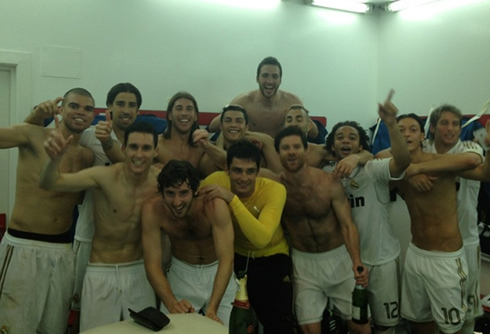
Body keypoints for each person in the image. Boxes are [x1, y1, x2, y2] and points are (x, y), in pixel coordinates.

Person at [39, 121, 160, 331]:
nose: (139, 154)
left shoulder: (160, 181)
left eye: (146, 148)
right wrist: (54, 160)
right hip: (101, 271)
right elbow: (50, 183)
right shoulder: (105, 176)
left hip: (140, 272)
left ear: (155, 151)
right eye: (133, 147)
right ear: (123, 148)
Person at [0, 89, 95, 334]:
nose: (81, 113)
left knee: (53, 327)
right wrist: (33, 116)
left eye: (88, 109)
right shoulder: (33, 134)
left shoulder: (87, 155)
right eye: (74, 106)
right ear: (61, 109)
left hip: (63, 250)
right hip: (24, 245)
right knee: (14, 326)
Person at [391, 113, 490, 334]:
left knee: (451, 327)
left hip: (446, 259)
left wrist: (489, 148)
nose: (406, 134)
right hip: (416, 255)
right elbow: (372, 158)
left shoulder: (440, 162)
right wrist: (409, 171)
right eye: (400, 130)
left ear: (422, 136)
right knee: (419, 322)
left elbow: (484, 173)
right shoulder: (391, 166)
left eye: (412, 130)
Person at [323, 90, 411, 334]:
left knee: (386, 326)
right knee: (355, 324)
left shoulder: (373, 169)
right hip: (345, 264)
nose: (346, 141)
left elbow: (403, 160)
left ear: (361, 144)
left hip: (381, 259)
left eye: (352, 137)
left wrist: (391, 124)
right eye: (340, 137)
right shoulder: (325, 175)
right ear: (332, 145)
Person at [270, 126, 370, 334]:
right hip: (304, 264)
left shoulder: (329, 182)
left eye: (297, 146)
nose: (291, 152)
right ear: (277, 153)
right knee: (309, 330)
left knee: (361, 328)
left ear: (306, 151)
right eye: (285, 148)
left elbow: (347, 225)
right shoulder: (275, 186)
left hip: (339, 260)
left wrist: (357, 261)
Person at [199, 140, 296, 333]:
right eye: (237, 171)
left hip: (272, 257)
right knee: (238, 325)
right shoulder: (215, 181)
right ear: (227, 169)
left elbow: (261, 239)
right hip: (236, 260)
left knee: (278, 325)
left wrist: (232, 199)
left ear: (259, 171)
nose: (244, 178)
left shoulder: (274, 190)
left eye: (250, 171)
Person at [141, 160, 235, 325]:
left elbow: (226, 258)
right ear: (161, 192)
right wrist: (172, 304)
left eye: (184, 193)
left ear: (195, 190)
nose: (177, 202)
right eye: (170, 193)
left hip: (218, 273)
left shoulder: (214, 205)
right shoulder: (152, 210)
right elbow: (152, 264)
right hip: (181, 275)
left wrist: (212, 309)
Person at [424, 104, 484, 334]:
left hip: (465, 242)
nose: (450, 129)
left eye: (455, 124)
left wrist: (418, 166)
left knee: (466, 312)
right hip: (431, 246)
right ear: (433, 128)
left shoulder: (469, 149)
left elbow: (470, 163)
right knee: (431, 309)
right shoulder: (423, 149)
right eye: (444, 123)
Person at [208, 56, 319, 139]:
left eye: (274, 76)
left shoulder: (291, 102)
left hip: (280, 153)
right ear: (257, 78)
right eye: (265, 76)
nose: (269, 81)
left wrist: (301, 115)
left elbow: (314, 133)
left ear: (280, 80)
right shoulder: (243, 102)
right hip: (251, 153)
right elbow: (213, 126)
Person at [158, 91, 226, 176]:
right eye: (179, 108)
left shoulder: (201, 148)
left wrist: (207, 146)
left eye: (189, 109)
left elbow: (227, 166)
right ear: (170, 115)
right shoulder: (157, 144)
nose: (184, 113)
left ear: (195, 116)